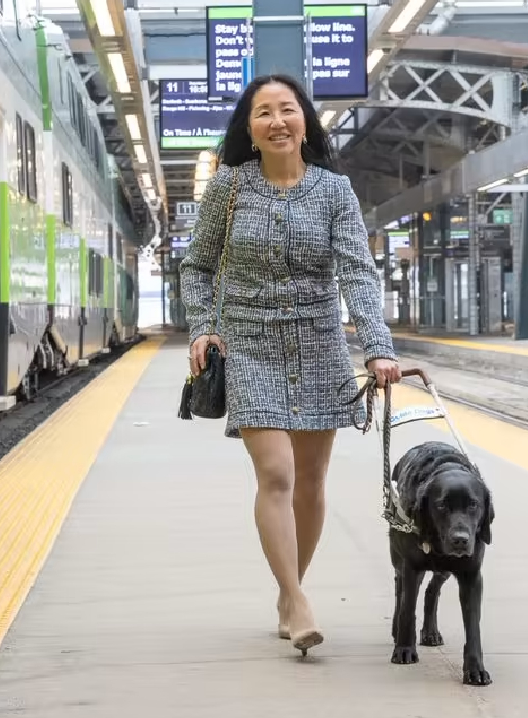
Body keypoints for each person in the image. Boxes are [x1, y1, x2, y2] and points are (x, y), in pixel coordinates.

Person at [178, 74, 402, 655]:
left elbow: (357, 271)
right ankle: (297, 599)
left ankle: (287, 590)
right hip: (247, 345)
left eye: (287, 110)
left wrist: (378, 346)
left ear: (304, 121)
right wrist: (204, 325)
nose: (277, 121)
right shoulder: (228, 189)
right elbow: (197, 267)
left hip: (320, 345)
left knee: (311, 481)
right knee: (275, 472)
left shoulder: (335, 192)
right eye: (263, 113)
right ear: (249, 130)